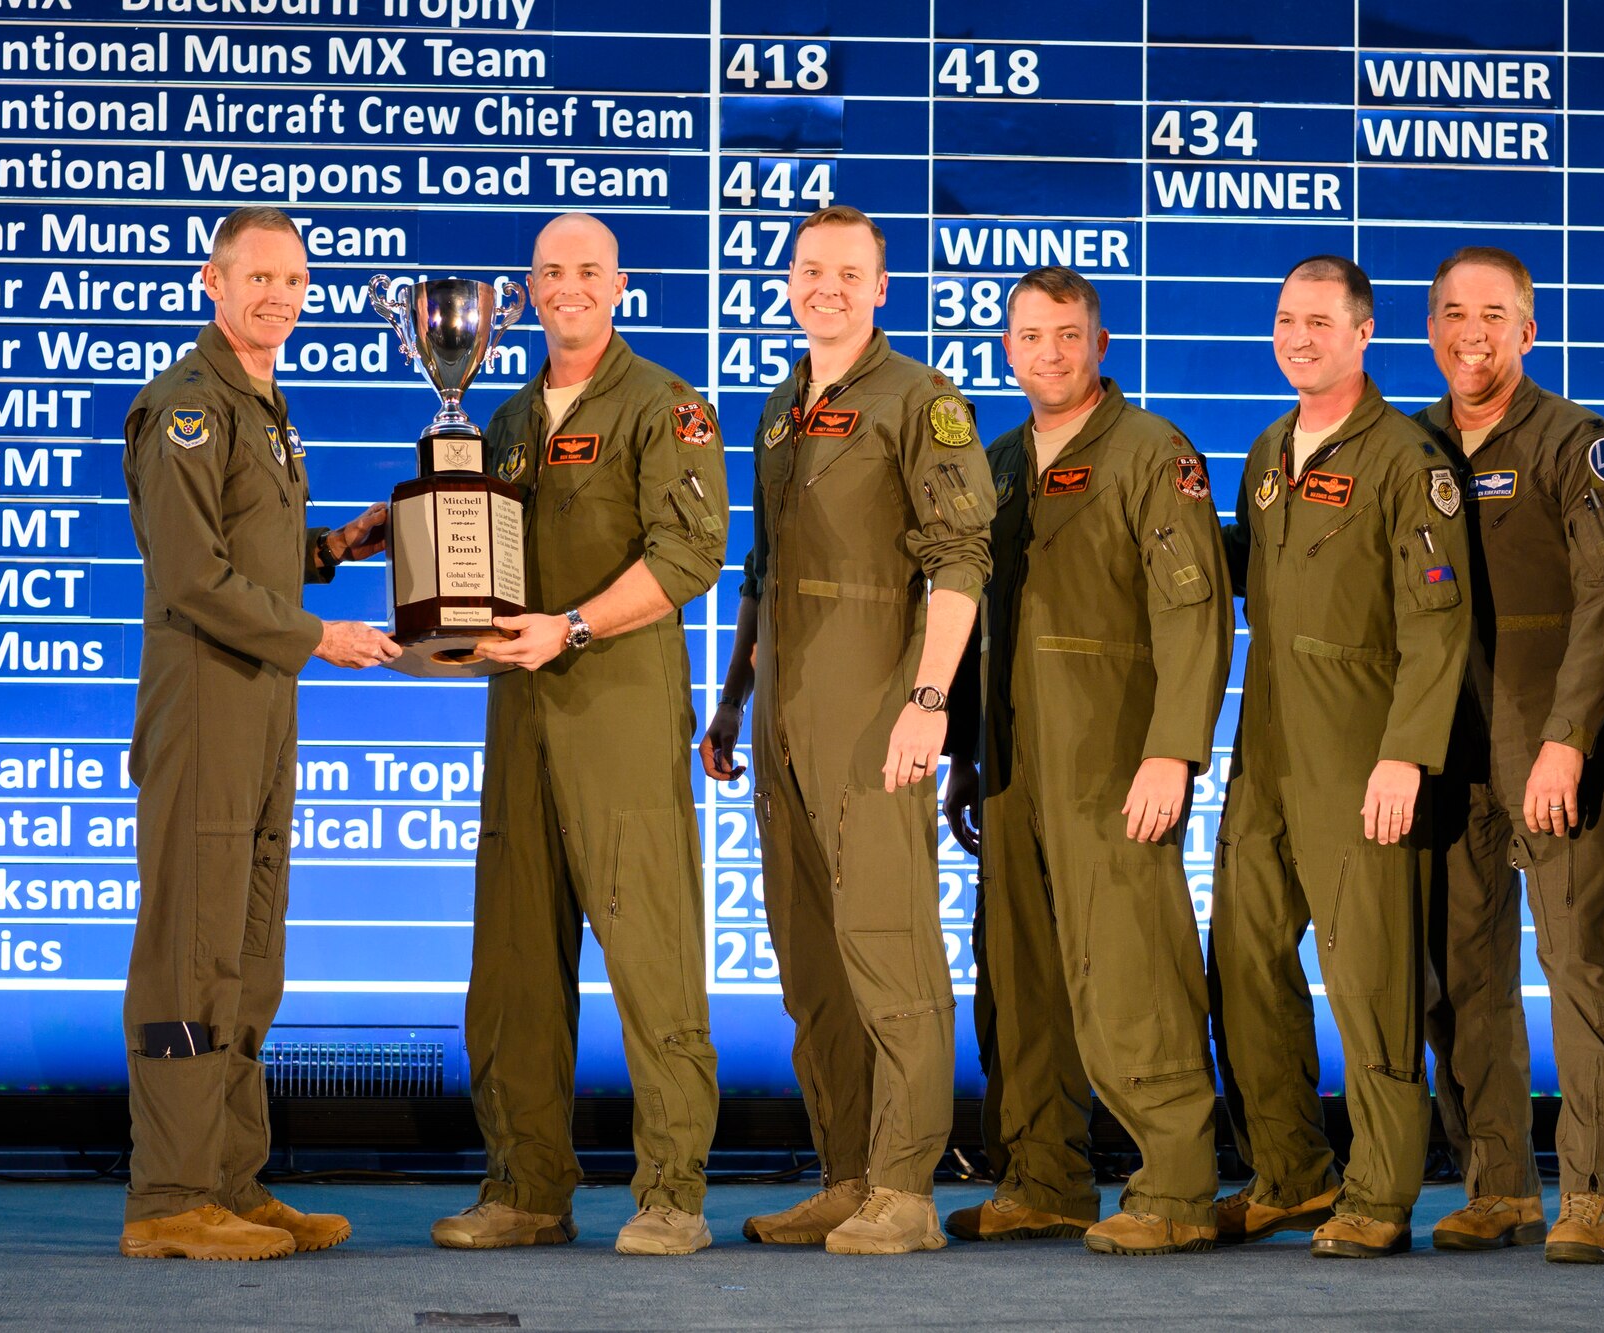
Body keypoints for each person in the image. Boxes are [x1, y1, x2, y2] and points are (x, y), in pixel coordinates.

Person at [431, 213, 729, 1257]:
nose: (568, 286)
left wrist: (571, 625)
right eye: (550, 271)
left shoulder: (664, 407)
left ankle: (671, 1193)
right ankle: (524, 1186)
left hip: (618, 710)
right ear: (527, 290)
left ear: (618, 284)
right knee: (512, 960)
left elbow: (690, 553)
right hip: (519, 718)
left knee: (650, 953)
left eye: (586, 271)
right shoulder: (504, 419)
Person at [704, 205, 994, 1255]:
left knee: (889, 952)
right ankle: (845, 1174)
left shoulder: (921, 401)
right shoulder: (782, 406)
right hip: (780, 729)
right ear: (788, 282)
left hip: (876, 719)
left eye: (847, 272)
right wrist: (732, 698)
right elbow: (763, 570)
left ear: (880, 288)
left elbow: (960, 561)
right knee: (810, 967)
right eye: (808, 269)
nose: (824, 286)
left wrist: (927, 703)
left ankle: (906, 1187)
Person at [119, 206, 397, 1260]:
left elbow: (251, 551)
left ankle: (233, 1179)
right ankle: (170, 1197)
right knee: (191, 957)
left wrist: (338, 545)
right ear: (212, 282)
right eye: (258, 278)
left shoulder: (265, 408)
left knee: (248, 956)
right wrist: (317, 632)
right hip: (205, 713)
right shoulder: (188, 408)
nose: (278, 296)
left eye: (293, 280)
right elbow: (191, 574)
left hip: (263, 709)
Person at [938, 267, 1231, 1255]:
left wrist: (1172, 750)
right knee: (1017, 979)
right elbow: (973, 626)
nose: (1048, 354)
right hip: (1014, 767)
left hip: (1114, 762)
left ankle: (1178, 1188)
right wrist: (966, 760)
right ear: (1005, 349)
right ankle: (1044, 1178)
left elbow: (1193, 611)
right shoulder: (996, 463)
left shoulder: (1153, 453)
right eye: (1029, 336)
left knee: (1131, 969)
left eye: (1067, 335)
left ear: (1098, 345)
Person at [1210, 255, 1470, 1258]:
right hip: (1264, 755)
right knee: (1239, 963)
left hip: (1361, 756)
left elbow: (1437, 622)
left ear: (1363, 334)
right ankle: (1289, 1173)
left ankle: (1380, 1190)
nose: (1298, 338)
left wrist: (1404, 755)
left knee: (1368, 981)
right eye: (1285, 320)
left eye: (1319, 322)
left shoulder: (1409, 459)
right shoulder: (1269, 450)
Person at [1412, 248, 1604, 1262]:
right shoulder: (1404, 443)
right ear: (1430, 330)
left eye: (1493, 314)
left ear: (1527, 331)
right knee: (1456, 976)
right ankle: (1497, 1183)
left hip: (1550, 747)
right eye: (1454, 313)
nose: (1472, 331)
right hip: (1440, 750)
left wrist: (1564, 738)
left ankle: (1588, 1194)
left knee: (1580, 966)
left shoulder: (1576, 444)